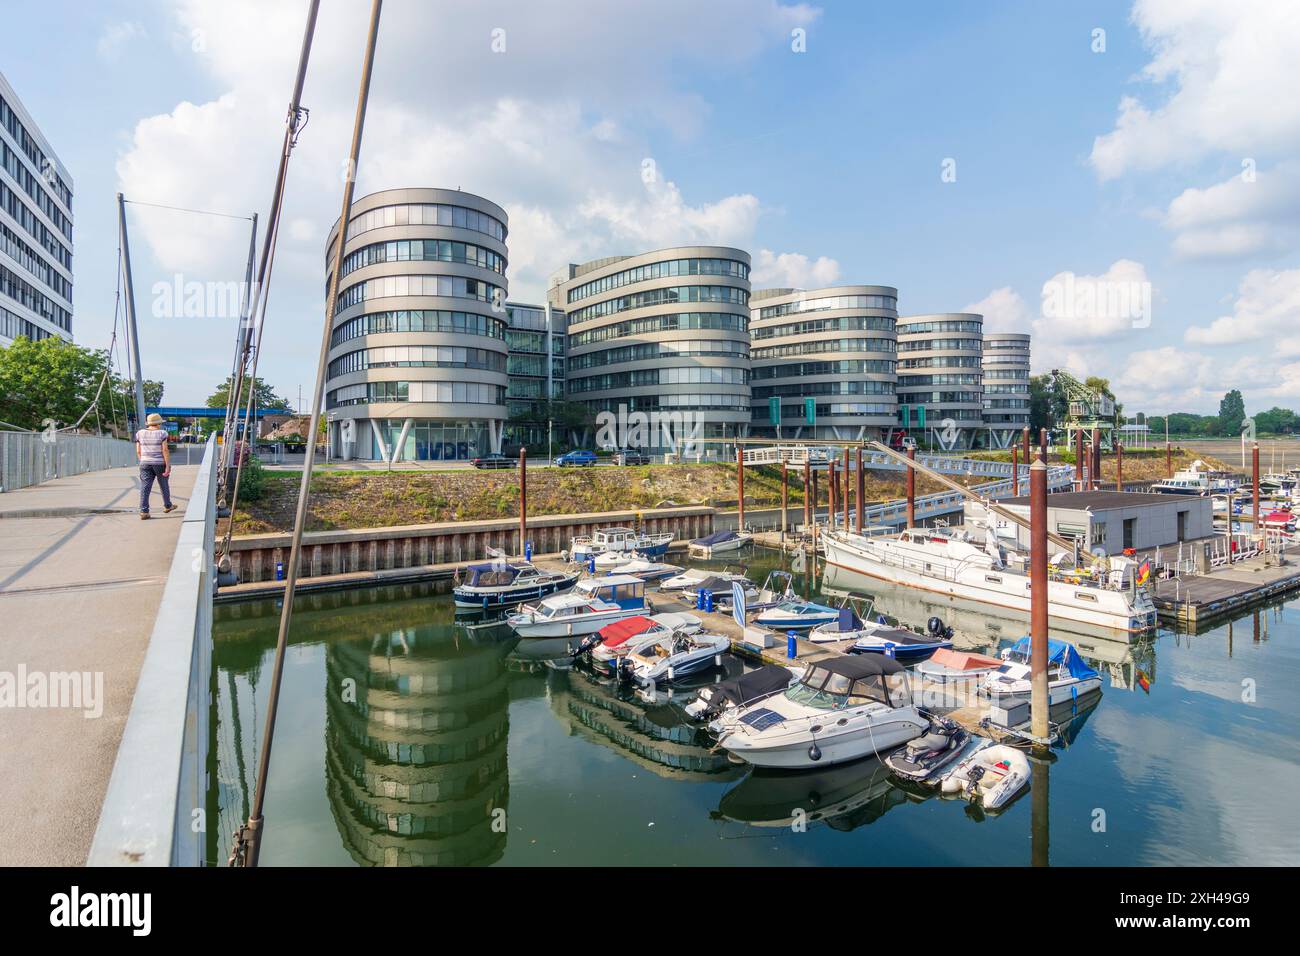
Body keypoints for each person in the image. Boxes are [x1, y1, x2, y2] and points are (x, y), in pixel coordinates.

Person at [136, 412, 177, 519]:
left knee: (145, 486)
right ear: (159, 423)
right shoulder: (162, 433)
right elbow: (165, 450)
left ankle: (144, 511)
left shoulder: (139, 433)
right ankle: (168, 505)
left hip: (145, 463)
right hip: (160, 464)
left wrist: (143, 461)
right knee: (163, 484)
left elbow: (138, 451)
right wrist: (167, 465)